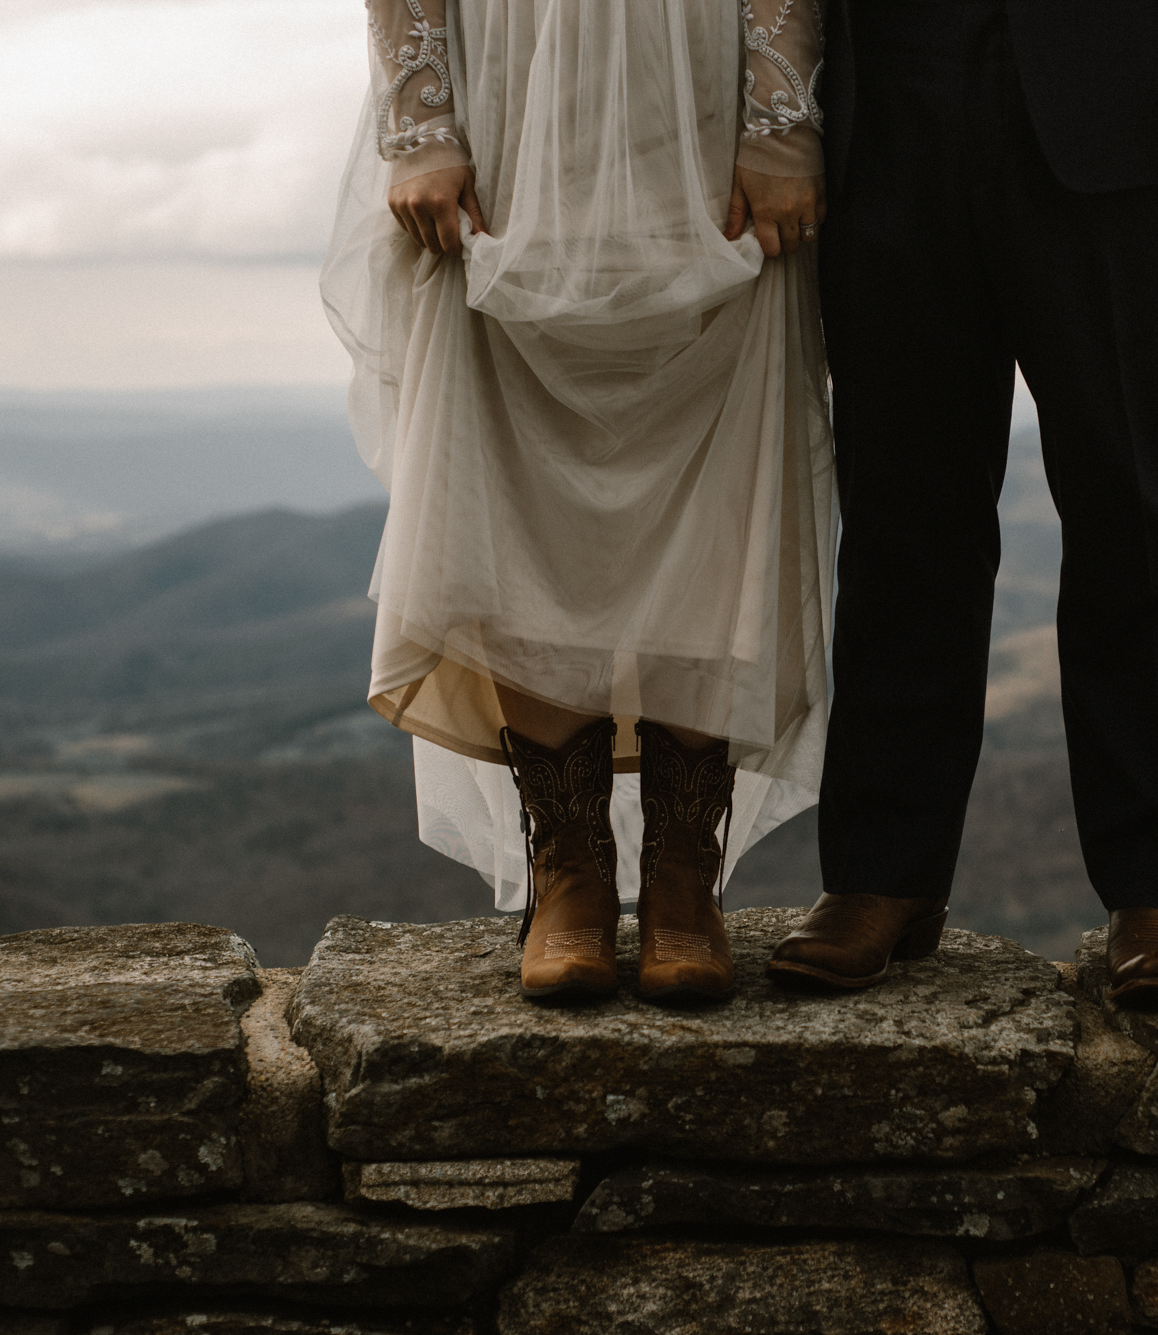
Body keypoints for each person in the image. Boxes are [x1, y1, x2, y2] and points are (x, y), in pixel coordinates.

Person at [765, 1, 1158, 1002]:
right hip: (884, 88)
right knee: (898, 511)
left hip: (1135, 82)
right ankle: (880, 874)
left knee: (1140, 503)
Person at [322, 0, 832, 1003]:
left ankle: (685, 875)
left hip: (702, 90)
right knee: (515, 478)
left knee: (718, 476)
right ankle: (573, 875)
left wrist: (778, 119)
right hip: (512, 85)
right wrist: (422, 120)